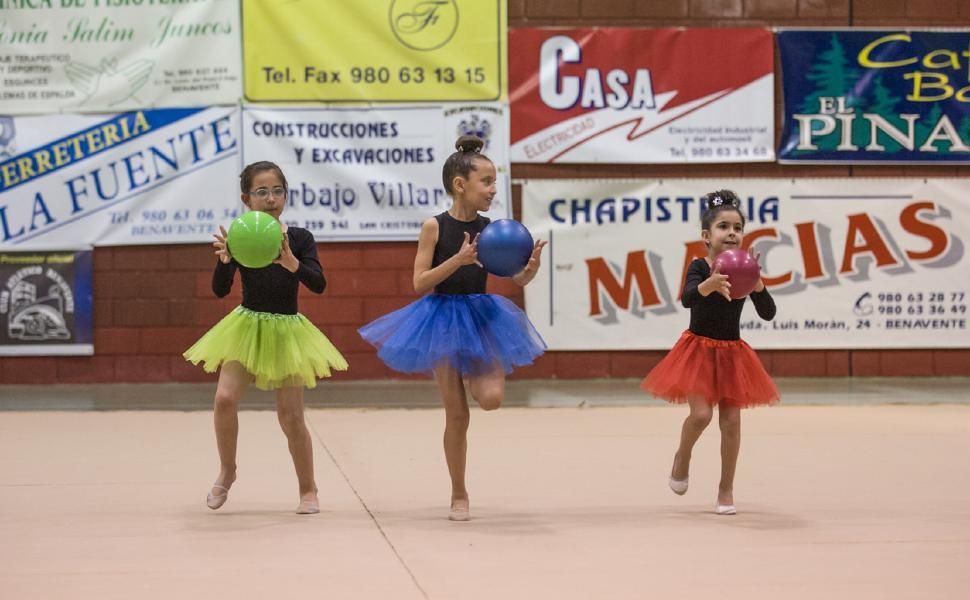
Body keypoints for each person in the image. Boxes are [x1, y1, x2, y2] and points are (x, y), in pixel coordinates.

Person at [358, 135, 547, 521]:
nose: (494, 190)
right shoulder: (434, 227)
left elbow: (516, 279)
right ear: (460, 185)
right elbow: (420, 282)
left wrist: (528, 271)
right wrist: (458, 261)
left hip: (481, 318)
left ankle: (474, 373)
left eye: (495, 182)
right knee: (457, 416)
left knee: (492, 398)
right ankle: (459, 493)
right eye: (487, 182)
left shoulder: (492, 229)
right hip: (441, 320)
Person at [183, 160, 348, 514]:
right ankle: (228, 471)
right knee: (225, 399)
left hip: (287, 330)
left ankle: (308, 488)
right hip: (246, 326)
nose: (271, 198)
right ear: (247, 199)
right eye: (262, 192)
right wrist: (226, 260)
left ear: (285, 195)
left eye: (277, 191)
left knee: (291, 417)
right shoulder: (241, 237)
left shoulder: (299, 238)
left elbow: (318, 284)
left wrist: (293, 264)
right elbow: (219, 289)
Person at [641, 189, 778, 515]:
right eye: (723, 227)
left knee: (731, 422)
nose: (732, 232)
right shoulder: (700, 266)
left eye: (737, 227)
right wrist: (709, 285)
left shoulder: (745, 268)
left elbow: (769, 312)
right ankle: (682, 456)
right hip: (698, 350)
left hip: (733, 354)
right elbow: (688, 298)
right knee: (701, 415)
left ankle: (726, 488)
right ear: (706, 235)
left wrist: (757, 284)